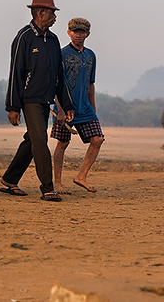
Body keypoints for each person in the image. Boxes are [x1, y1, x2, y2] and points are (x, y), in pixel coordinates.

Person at [0, 0, 74, 202]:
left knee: (32, 139)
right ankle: (47, 188)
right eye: (52, 13)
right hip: (29, 98)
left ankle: (9, 178)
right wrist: (13, 106)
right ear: (40, 13)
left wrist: (66, 104)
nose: (55, 17)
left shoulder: (53, 39)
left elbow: (59, 75)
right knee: (40, 139)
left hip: (45, 98)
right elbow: (16, 72)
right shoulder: (24, 37)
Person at [51, 17, 105, 194]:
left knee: (97, 139)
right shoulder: (61, 54)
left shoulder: (90, 55)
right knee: (63, 142)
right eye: (75, 32)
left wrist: (93, 109)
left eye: (82, 32)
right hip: (65, 107)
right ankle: (57, 183)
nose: (78, 35)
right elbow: (55, 83)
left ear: (87, 34)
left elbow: (91, 84)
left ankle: (81, 176)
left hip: (85, 107)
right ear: (68, 33)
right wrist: (59, 109)